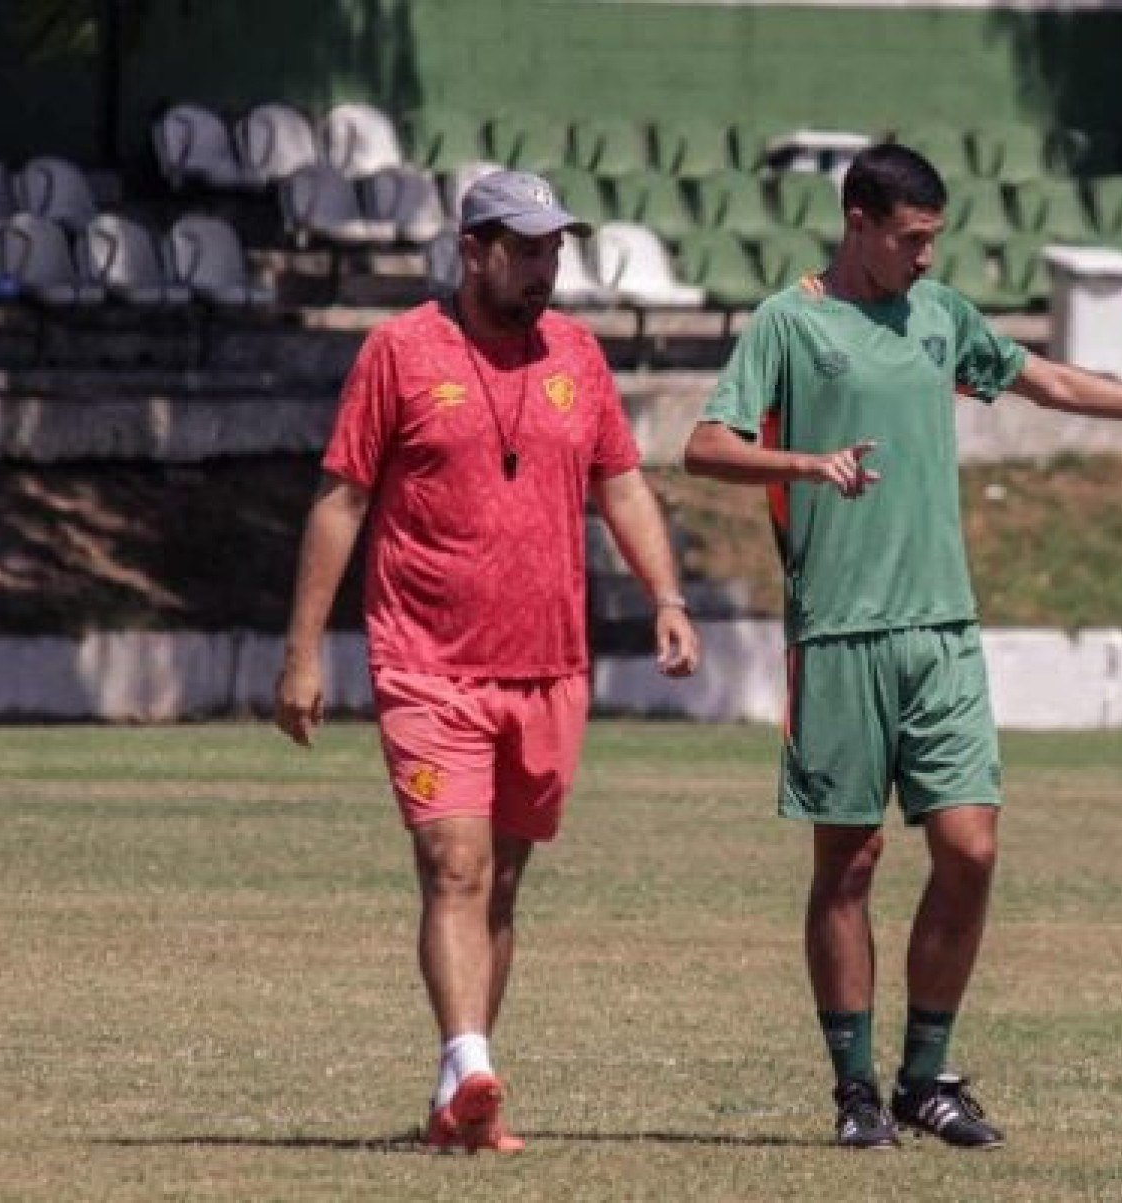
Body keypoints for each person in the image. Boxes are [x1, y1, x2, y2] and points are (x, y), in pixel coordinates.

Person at [682, 143, 1122, 1150]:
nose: (924, 259)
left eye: (934, 241)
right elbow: (706, 445)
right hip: (840, 633)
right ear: (857, 219)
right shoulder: (788, 322)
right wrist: (807, 463)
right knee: (850, 862)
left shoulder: (941, 317)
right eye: (912, 239)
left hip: (942, 630)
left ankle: (924, 1077)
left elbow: (1047, 382)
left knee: (972, 849)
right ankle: (855, 1088)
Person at [274, 169, 700, 1154]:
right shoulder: (400, 352)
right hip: (427, 664)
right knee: (452, 864)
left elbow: (623, 486)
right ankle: (473, 1065)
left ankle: (455, 1091)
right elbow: (340, 501)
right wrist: (303, 652)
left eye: (556, 248)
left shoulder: (579, 357)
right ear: (473, 250)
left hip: (549, 667)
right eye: (527, 247)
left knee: (500, 884)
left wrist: (666, 598)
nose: (547, 266)